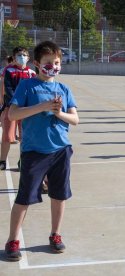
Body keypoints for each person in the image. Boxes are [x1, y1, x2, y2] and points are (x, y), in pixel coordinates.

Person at [4, 41, 79, 261]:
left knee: (59, 195)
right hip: (34, 152)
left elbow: (75, 119)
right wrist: (43, 106)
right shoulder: (27, 86)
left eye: (56, 63)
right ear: (36, 64)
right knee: (24, 198)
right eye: (48, 63)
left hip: (60, 150)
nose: (52, 66)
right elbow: (13, 115)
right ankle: (12, 240)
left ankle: (55, 234)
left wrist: (58, 113)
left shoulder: (64, 89)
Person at [0, 47, 36, 170]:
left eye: (24, 55)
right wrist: (16, 103)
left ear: (28, 57)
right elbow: (8, 89)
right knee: (7, 136)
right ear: (14, 58)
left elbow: (32, 91)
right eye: (19, 55)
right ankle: (2, 161)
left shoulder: (32, 73)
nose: (22, 57)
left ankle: (22, 161)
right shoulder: (9, 70)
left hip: (26, 111)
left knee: (24, 137)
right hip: (11, 108)